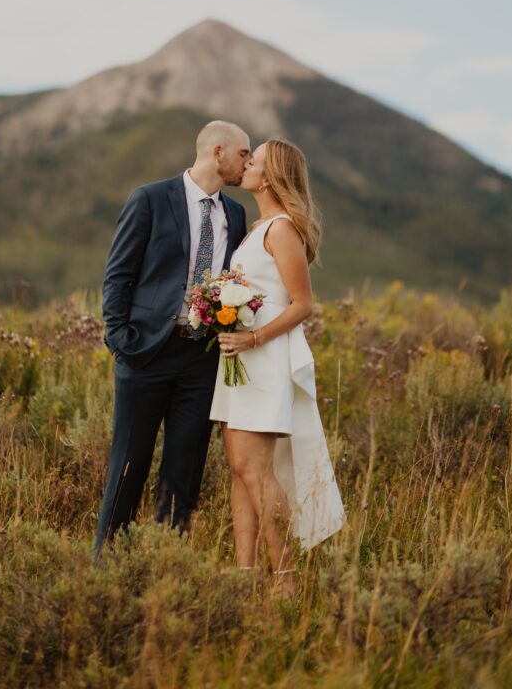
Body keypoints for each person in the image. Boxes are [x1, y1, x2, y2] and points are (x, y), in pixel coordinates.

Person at [95, 120, 250, 553]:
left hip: (200, 361)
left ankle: (167, 572)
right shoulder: (149, 198)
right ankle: (106, 571)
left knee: (183, 475)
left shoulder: (235, 215)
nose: (249, 163)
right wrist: (120, 341)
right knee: (129, 467)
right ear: (217, 152)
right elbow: (118, 275)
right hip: (144, 353)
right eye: (244, 154)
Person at [210, 139, 345, 596]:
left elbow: (302, 304)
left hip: (263, 360)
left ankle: (285, 580)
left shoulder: (282, 229)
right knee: (238, 468)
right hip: (239, 362)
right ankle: (246, 575)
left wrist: (252, 336)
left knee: (257, 471)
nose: (246, 164)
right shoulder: (257, 228)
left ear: (268, 177)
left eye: (255, 160)